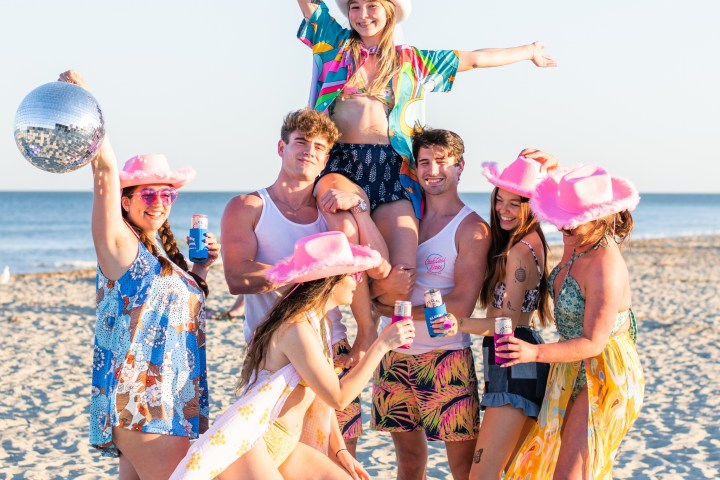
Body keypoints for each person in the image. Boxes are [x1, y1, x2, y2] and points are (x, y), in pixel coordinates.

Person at [295, 0, 557, 307]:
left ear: (389, 10)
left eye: (372, 6)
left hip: (394, 169)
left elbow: (474, 59)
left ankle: (368, 303)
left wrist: (528, 52)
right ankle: (365, 331)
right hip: (342, 164)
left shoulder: (413, 61)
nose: (363, 15)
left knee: (403, 280)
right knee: (349, 230)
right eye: (355, 7)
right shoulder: (336, 45)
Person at [58, 70, 222, 478]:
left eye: (167, 194)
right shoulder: (119, 246)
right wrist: (88, 109)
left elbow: (167, 314)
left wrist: (199, 270)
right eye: (148, 194)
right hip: (142, 405)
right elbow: (104, 172)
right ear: (125, 202)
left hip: (172, 402)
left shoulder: (162, 257)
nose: (159, 202)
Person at [170, 231, 416, 479]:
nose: (357, 282)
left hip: (286, 442)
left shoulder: (318, 323)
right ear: (330, 281)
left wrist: (340, 450)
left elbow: (320, 394)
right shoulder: (296, 328)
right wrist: (381, 345)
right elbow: (338, 397)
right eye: (353, 275)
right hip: (255, 443)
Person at [220, 108, 390, 456]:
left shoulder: (333, 213)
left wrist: (359, 207)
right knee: (278, 455)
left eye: (318, 146)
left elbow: (370, 269)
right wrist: (302, 271)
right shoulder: (249, 206)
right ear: (281, 148)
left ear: (326, 157)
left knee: (340, 457)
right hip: (271, 352)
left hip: (332, 347)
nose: (309, 151)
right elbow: (237, 277)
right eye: (300, 142)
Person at [498, 160, 645, 479]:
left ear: (601, 218)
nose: (563, 227)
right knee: (547, 462)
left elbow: (594, 342)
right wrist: (547, 166)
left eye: (572, 221)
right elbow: (573, 190)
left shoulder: (606, 266)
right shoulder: (575, 238)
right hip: (569, 364)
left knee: (572, 473)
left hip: (605, 373)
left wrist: (534, 353)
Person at [370, 128, 490, 479]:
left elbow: (461, 305)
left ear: (460, 166)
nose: (432, 170)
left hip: (445, 357)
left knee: (463, 468)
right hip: (393, 355)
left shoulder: (471, 229)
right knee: (407, 462)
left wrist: (393, 311)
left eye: (442, 161)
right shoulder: (403, 218)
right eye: (424, 162)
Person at [451, 153, 553, 479]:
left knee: (483, 474)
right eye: (500, 200)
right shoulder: (526, 241)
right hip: (510, 357)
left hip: (514, 357)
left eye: (514, 204)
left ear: (532, 205)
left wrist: (458, 323)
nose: (503, 211)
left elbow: (503, 324)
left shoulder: (520, 251)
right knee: (506, 472)